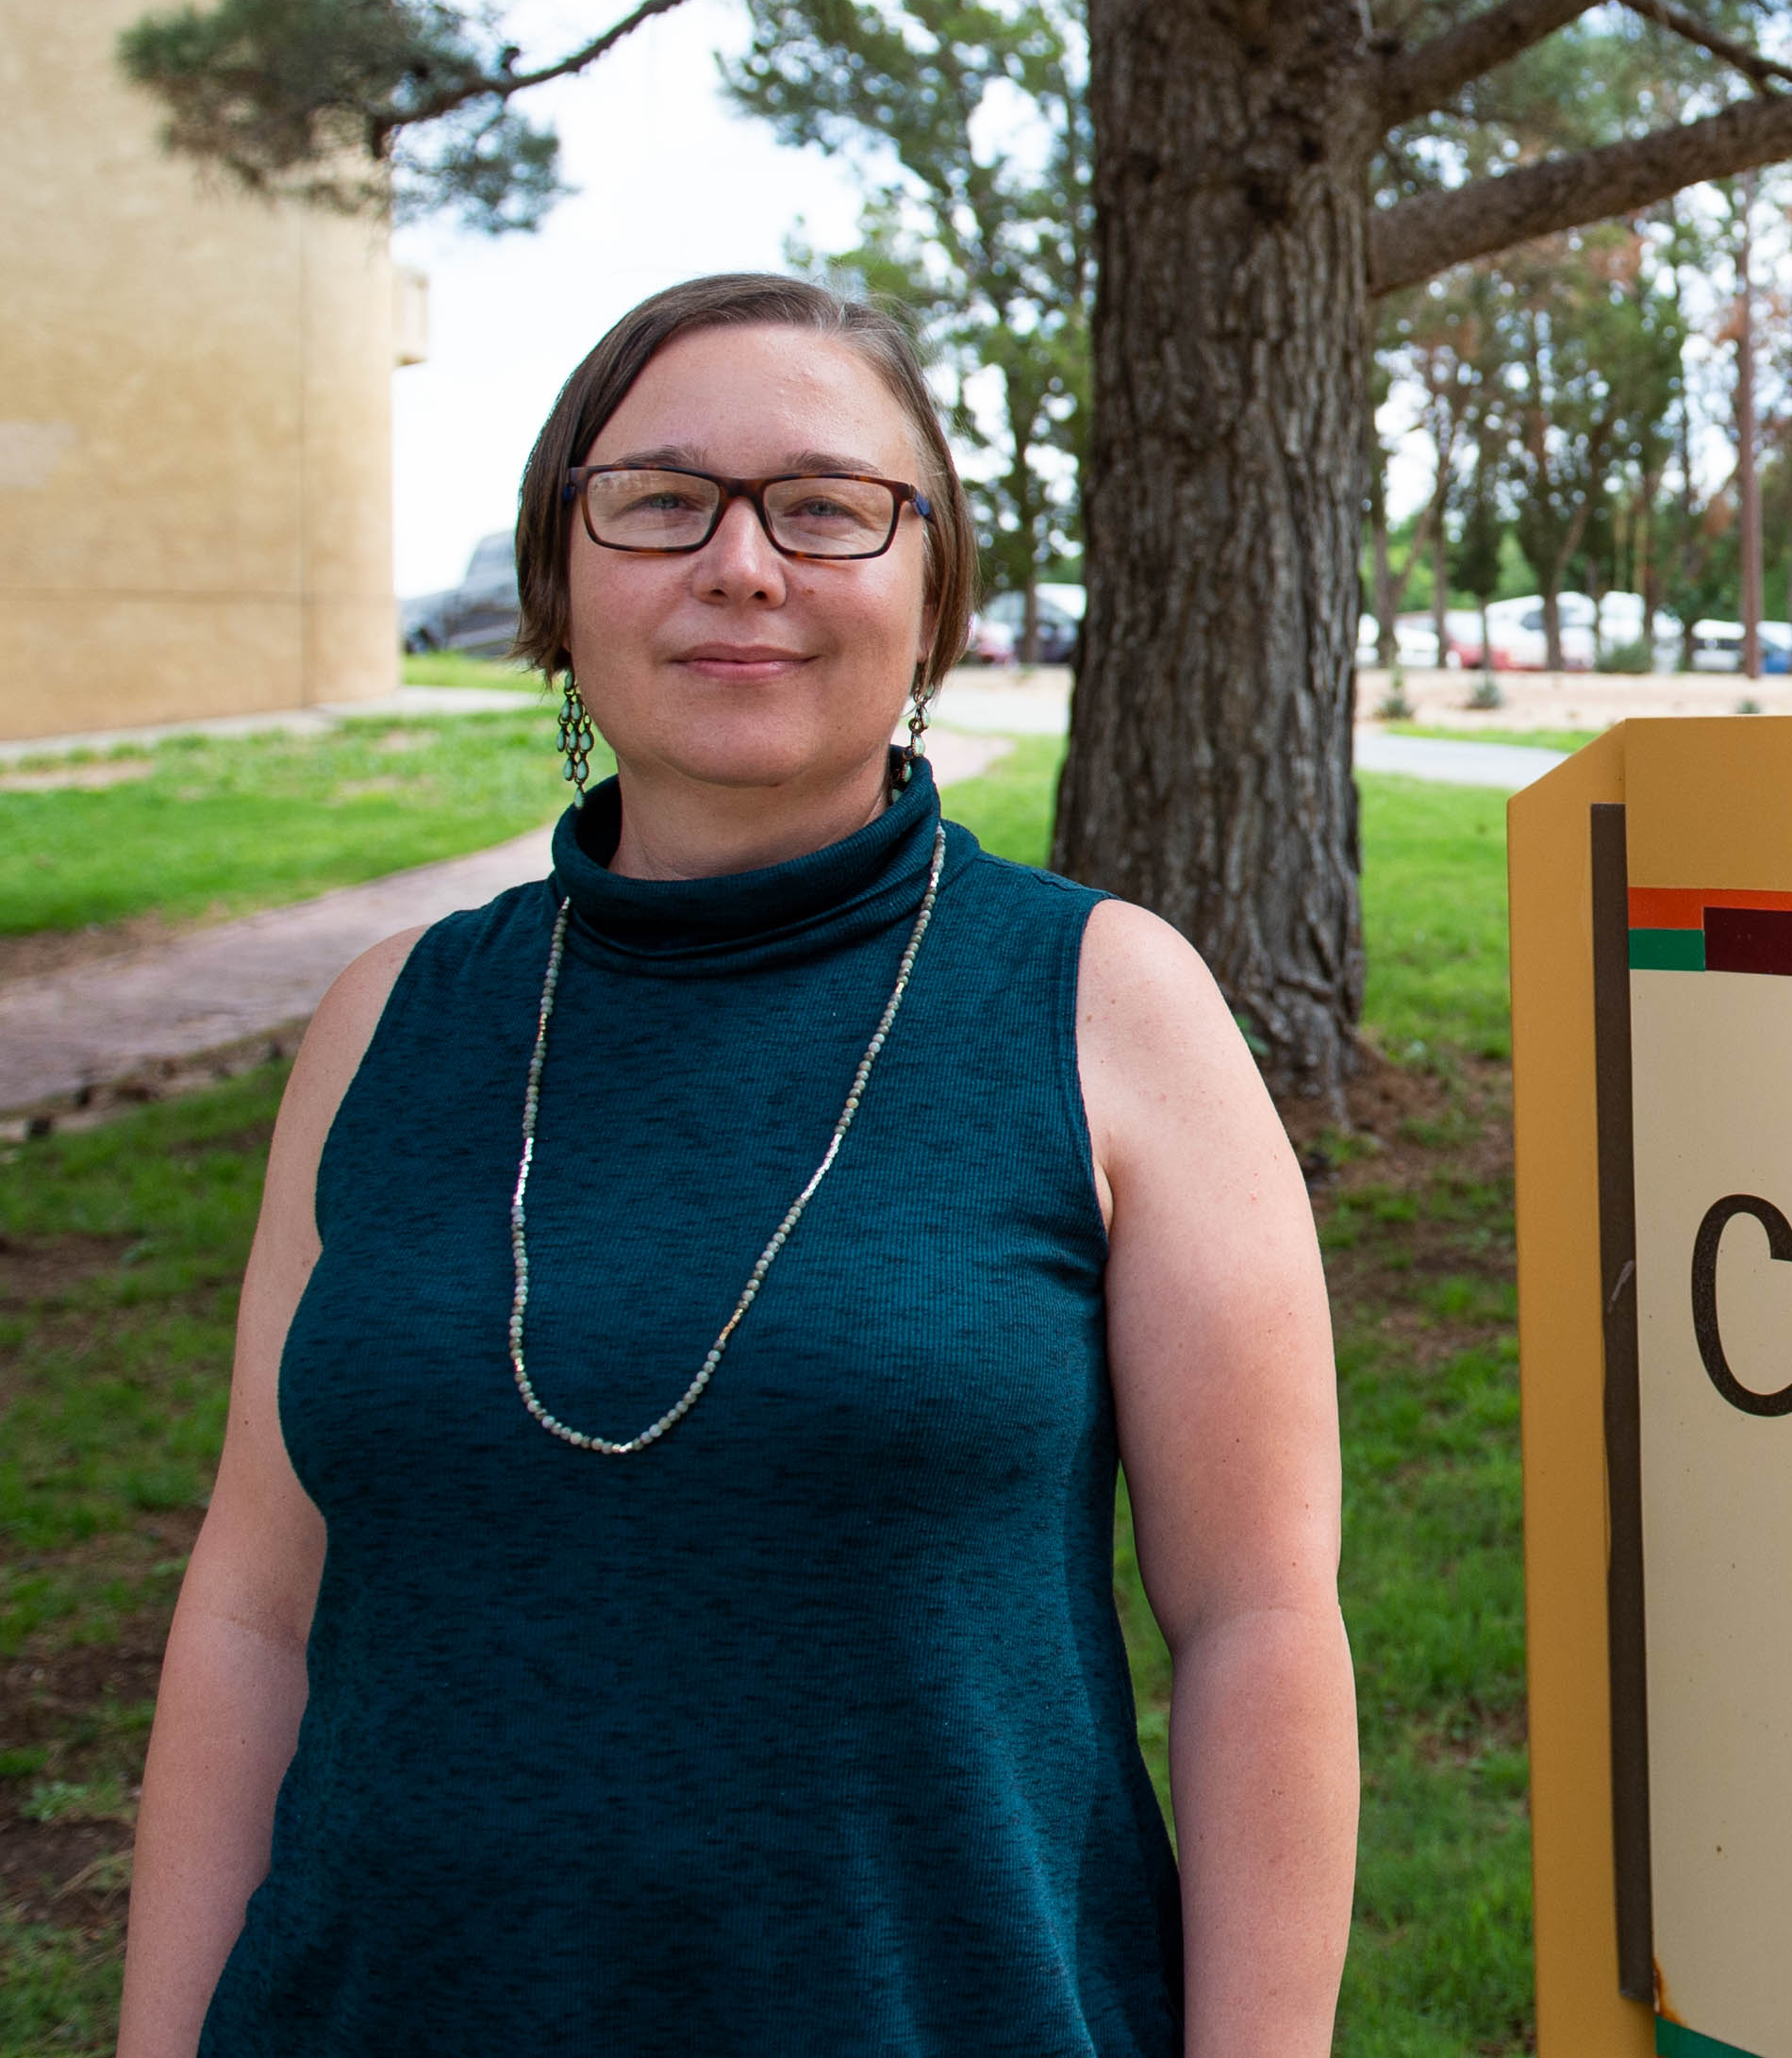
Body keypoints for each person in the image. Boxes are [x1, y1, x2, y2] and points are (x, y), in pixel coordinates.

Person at [120, 274, 1356, 2056]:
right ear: (563, 578)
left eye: (828, 506)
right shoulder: (387, 1022)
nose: (742, 564)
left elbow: (1254, 1624)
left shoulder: (1106, 1004)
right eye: (660, 500)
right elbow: (252, 1607)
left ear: (933, 593)